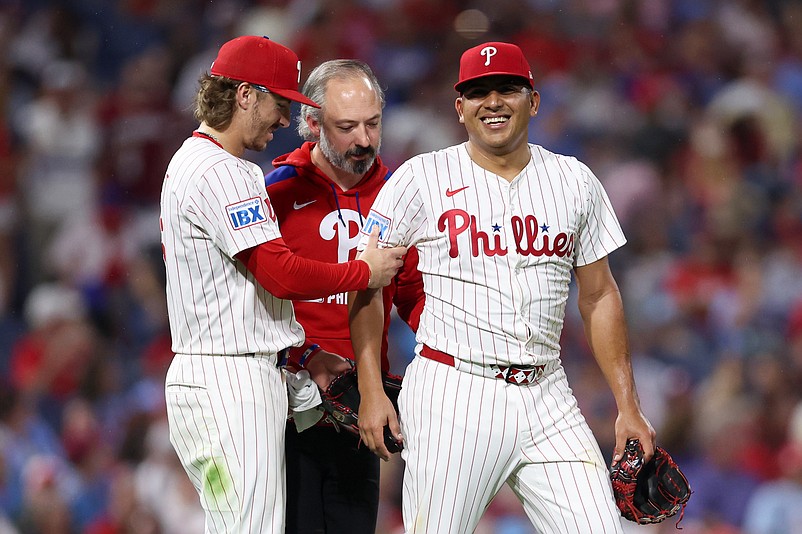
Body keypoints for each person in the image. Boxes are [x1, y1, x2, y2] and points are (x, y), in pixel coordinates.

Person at [349, 41, 656, 533]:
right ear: (460, 108)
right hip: (454, 390)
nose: (492, 101)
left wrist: (628, 408)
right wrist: (370, 388)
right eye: (477, 92)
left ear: (532, 100)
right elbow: (366, 286)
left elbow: (599, 295)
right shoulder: (420, 178)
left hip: (547, 391)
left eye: (506, 89)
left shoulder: (573, 181)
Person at [159, 35, 406, 534]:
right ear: (246, 95)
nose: (281, 119)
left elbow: (255, 291)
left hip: (226, 373)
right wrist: (364, 272)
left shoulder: (190, 161)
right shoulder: (226, 172)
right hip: (230, 380)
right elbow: (281, 273)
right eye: (278, 102)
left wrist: (303, 355)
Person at [264, 59, 423, 534]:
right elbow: (249, 306)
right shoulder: (275, 193)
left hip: (361, 410)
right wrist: (306, 355)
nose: (365, 141)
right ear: (311, 125)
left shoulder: (401, 195)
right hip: (284, 408)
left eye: (373, 124)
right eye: (347, 127)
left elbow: (416, 298)